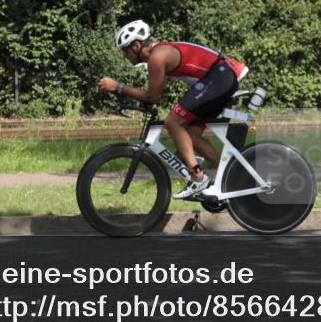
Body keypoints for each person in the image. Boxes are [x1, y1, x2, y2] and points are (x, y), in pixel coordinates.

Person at [98, 19, 248, 199]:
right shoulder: (159, 52)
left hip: (218, 78)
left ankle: (197, 177)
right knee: (190, 133)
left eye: (124, 50)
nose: (123, 55)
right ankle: (235, 172)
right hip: (219, 77)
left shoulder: (157, 57)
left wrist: (118, 87)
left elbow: (152, 97)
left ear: (136, 45)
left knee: (172, 122)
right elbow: (156, 92)